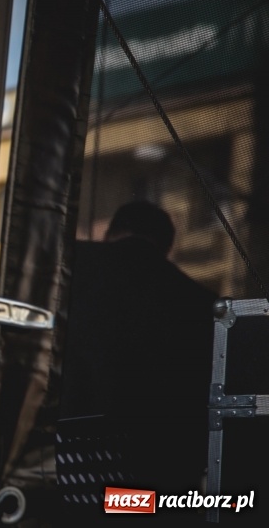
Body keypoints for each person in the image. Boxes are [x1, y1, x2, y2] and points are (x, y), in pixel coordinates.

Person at [59, 201, 217, 522]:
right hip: (155, 487)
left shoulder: (69, 265)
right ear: (167, 247)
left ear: (109, 233)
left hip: (68, 473)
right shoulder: (200, 303)